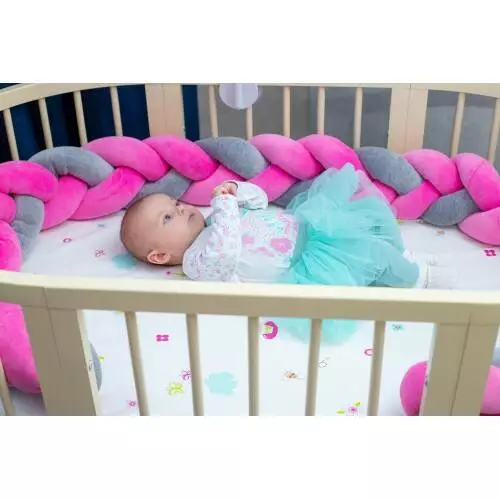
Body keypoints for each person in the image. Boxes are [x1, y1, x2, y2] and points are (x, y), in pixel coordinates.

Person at [120, 164, 452, 343]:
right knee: (370, 254)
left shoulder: (213, 220)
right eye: (168, 218)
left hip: (313, 228)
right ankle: (417, 277)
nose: (180, 209)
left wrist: (237, 191)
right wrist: (225, 207)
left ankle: (402, 258)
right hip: (309, 262)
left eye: (175, 203)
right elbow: (227, 251)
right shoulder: (198, 262)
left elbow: (260, 201)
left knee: (371, 224)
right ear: (159, 256)